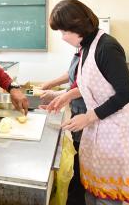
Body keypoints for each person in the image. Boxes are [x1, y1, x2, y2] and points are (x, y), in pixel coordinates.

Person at [48, 0, 129, 204]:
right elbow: (93, 83)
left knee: (109, 198)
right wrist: (66, 96)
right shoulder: (86, 47)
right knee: (92, 193)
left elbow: (125, 93)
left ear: (77, 25)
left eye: (64, 32)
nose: (62, 37)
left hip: (116, 132)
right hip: (98, 129)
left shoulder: (106, 47)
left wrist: (88, 116)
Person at [40, 53, 87, 205]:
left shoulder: (98, 50)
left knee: (81, 162)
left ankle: (77, 197)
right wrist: (51, 84)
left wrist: (58, 95)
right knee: (77, 158)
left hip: (87, 114)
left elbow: (84, 86)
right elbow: (72, 75)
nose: (63, 36)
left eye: (65, 32)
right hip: (78, 110)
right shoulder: (80, 49)